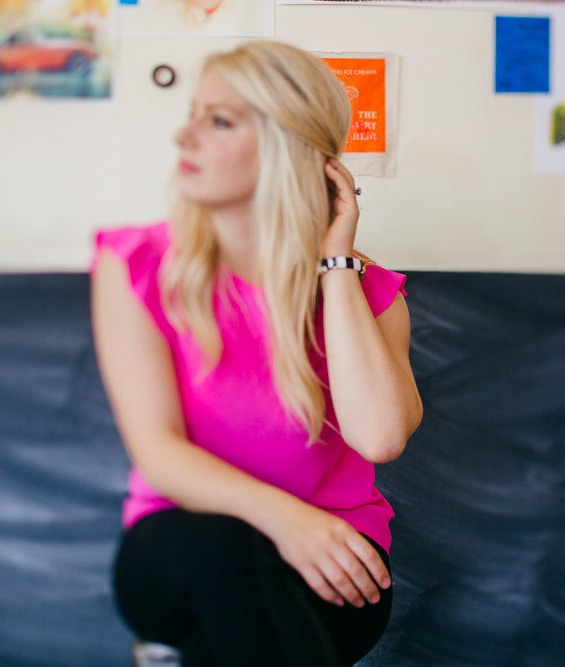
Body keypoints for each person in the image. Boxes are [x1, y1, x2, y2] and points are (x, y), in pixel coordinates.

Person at [90, 40, 423, 667]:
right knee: (222, 548)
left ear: (287, 149)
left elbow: (379, 438)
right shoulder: (137, 267)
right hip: (179, 546)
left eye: (217, 120)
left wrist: (335, 263)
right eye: (194, 112)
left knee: (241, 620)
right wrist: (285, 521)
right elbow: (158, 454)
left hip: (334, 565)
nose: (184, 135)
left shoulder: (368, 289)